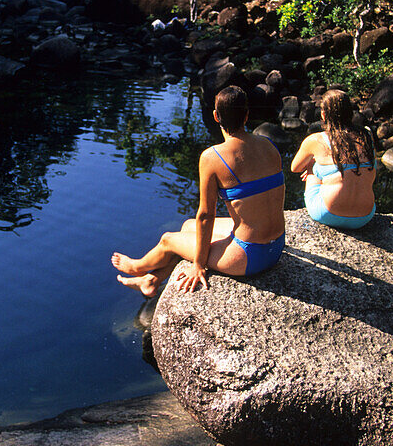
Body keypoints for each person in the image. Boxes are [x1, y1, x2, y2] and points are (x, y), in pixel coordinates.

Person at [112, 86, 286, 297]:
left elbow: (206, 215)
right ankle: (151, 281)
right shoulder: (269, 145)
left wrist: (198, 264)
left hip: (249, 257)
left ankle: (137, 267)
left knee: (168, 239)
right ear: (247, 115)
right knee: (188, 227)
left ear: (215, 116)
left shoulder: (213, 157)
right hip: (276, 247)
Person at [291, 89, 377, 229]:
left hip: (328, 213)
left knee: (314, 168)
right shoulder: (366, 136)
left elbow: (295, 168)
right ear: (350, 112)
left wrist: (314, 165)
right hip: (365, 216)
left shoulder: (316, 139)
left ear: (324, 115)